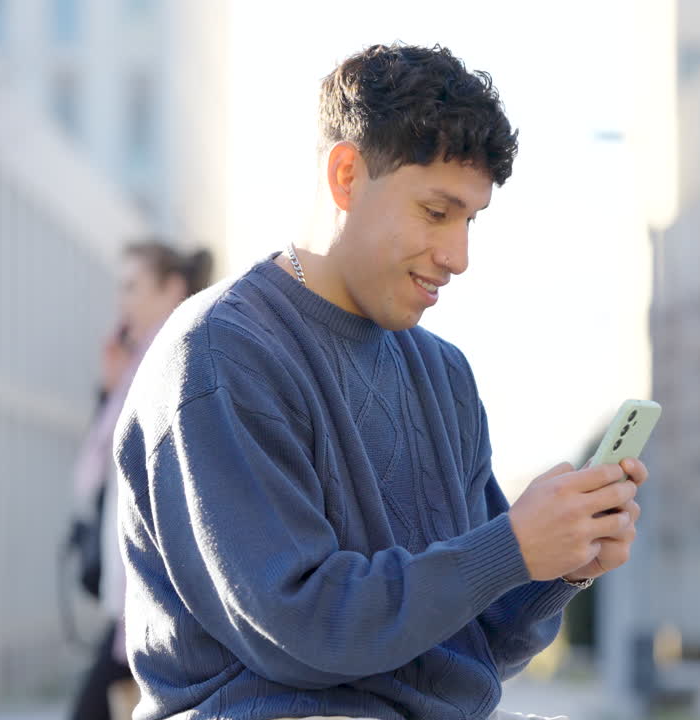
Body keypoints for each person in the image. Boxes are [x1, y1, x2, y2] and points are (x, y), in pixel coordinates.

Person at [112, 44, 648, 720]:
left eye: (470, 220)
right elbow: (301, 630)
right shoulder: (221, 354)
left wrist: (556, 563)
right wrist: (507, 546)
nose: (458, 256)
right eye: (435, 212)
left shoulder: (443, 374)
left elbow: (467, 643)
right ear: (345, 176)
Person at [68, 241, 213, 720]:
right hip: (138, 579)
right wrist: (107, 388)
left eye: (133, 286)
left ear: (172, 288)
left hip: (159, 581)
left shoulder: (180, 358)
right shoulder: (138, 366)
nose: (121, 300)